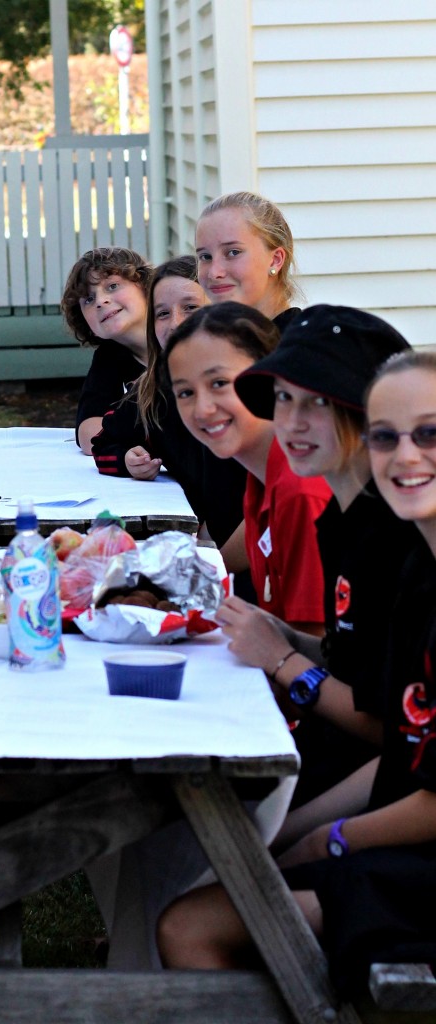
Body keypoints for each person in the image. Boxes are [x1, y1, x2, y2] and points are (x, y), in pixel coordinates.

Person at [157, 351, 436, 997]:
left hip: (418, 873)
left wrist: (327, 841)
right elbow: (404, 748)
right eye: (385, 436)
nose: (403, 456)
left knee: (190, 925)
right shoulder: (418, 571)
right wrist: (302, 835)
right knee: (224, 878)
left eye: (428, 433)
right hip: (401, 834)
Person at [218, 305, 417, 801]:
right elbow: (352, 663)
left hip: (373, 790)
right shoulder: (342, 518)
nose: (292, 422)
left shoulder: (402, 539)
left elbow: (394, 731)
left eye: (319, 403)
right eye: (284, 398)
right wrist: (277, 635)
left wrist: (283, 658)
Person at [165, 302, 331, 631]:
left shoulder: (300, 490)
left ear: (269, 375)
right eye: (185, 392)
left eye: (219, 383)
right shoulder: (264, 473)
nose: (203, 409)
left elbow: (315, 650)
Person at [90, 257, 246, 555]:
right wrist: (127, 460)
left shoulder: (250, 385)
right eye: (162, 313)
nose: (176, 323)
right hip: (192, 543)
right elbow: (103, 444)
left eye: (190, 308)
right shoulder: (153, 389)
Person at [60, 247, 152, 454]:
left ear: (145, 286)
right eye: (88, 300)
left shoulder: (184, 341)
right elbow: (88, 434)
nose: (101, 301)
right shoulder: (109, 357)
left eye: (112, 286)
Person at [195, 191, 301, 333]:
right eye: (206, 257)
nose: (214, 273)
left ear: (275, 260)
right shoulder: (216, 344)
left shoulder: (306, 348)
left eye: (233, 252)